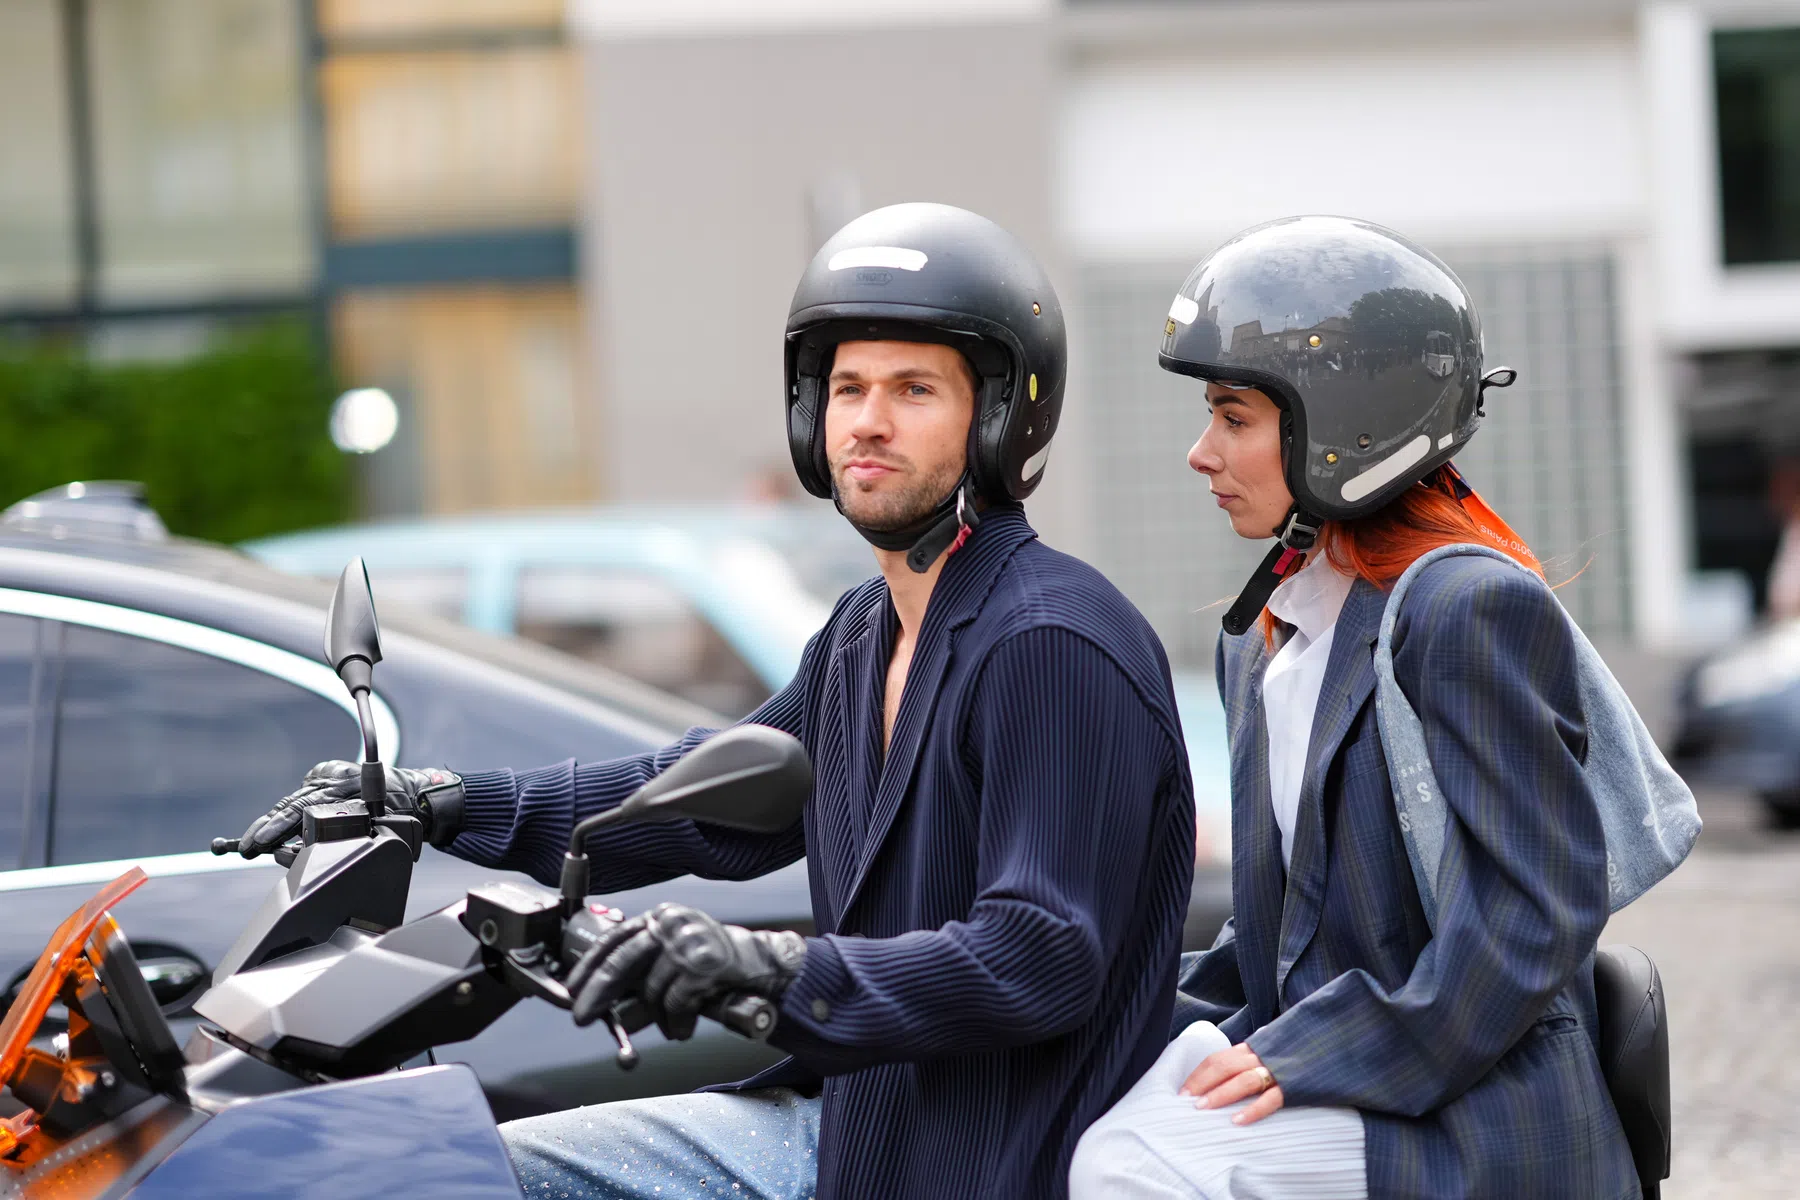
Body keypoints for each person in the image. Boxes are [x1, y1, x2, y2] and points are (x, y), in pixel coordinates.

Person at [238, 203, 1196, 1200]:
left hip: (983, 1157)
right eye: (848, 387)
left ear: (999, 417)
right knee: (470, 1170)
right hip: (863, 1126)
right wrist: (442, 802)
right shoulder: (865, 635)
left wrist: (767, 968)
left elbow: (1037, 955)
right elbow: (701, 799)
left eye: (914, 389)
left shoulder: (1049, 643)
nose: (867, 419)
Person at [1069, 216, 1641, 1199]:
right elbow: (1274, 945)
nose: (1201, 454)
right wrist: (1091, 1033)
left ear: (1344, 421)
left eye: (1234, 416)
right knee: (1053, 1125)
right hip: (1352, 1086)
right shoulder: (1263, 639)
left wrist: (1312, 1056)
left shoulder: (1466, 608)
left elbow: (1528, 923)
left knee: (1128, 1166)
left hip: (1476, 1117)